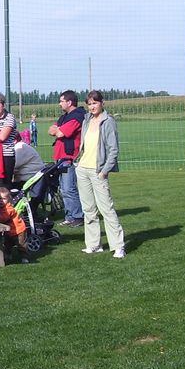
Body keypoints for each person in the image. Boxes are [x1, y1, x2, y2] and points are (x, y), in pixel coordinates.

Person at [75, 91, 125, 259]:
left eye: (95, 103)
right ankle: (94, 245)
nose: (92, 107)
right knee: (88, 210)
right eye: (89, 104)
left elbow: (113, 150)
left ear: (102, 103)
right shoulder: (86, 120)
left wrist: (104, 171)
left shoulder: (108, 122)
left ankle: (118, 246)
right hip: (82, 169)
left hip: (98, 171)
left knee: (107, 209)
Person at [47, 90, 87, 227]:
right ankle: (69, 216)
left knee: (69, 189)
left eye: (61, 101)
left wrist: (58, 130)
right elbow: (51, 130)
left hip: (69, 157)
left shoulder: (77, 116)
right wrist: (57, 130)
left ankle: (78, 216)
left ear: (69, 102)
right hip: (60, 157)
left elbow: (60, 133)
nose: (59, 104)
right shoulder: (65, 117)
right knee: (64, 189)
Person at [0, 186, 29, 263]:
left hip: (18, 230)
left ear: (8, 199)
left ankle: (24, 257)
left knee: (21, 244)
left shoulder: (9, 208)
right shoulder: (0, 208)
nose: (1, 201)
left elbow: (4, 218)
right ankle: (8, 255)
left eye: (4, 199)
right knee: (7, 244)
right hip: (9, 231)